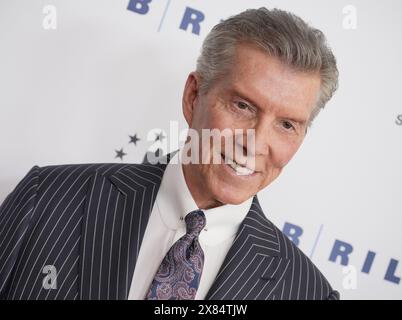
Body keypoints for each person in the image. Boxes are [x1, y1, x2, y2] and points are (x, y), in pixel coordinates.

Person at [0, 7, 339, 300]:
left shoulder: (307, 290)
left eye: (287, 125)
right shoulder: (45, 198)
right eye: (242, 105)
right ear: (194, 96)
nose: (253, 143)